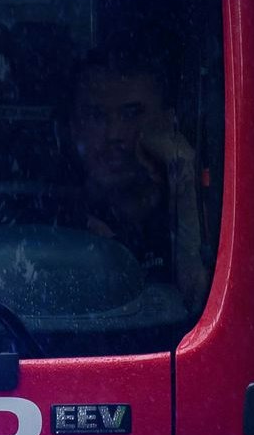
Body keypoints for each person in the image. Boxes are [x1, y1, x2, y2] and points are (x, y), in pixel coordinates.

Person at [67, 56, 212, 299]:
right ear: (74, 129)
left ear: (167, 123)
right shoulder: (56, 221)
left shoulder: (198, 214)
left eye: (131, 115)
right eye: (96, 116)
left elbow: (199, 300)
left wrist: (185, 184)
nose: (114, 134)